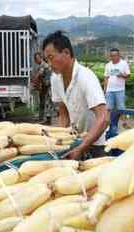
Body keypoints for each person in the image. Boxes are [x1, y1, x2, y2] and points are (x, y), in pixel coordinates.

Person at [43, 31, 108, 160]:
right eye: (46, 60)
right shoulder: (55, 78)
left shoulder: (86, 77)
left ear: (66, 53)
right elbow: (63, 112)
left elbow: (104, 118)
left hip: (94, 143)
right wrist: (61, 141)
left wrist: (81, 148)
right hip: (74, 140)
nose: (49, 64)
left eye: (51, 58)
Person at [103, 48, 130, 135]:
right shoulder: (108, 65)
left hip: (120, 90)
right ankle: (107, 125)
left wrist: (121, 75)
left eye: (115, 55)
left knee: (121, 108)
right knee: (108, 108)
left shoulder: (124, 63)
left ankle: (124, 123)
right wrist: (105, 89)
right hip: (109, 90)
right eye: (112, 56)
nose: (113, 57)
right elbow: (106, 77)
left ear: (119, 55)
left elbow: (128, 76)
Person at [32, 52, 55, 124]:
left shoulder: (43, 65)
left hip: (48, 86)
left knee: (48, 102)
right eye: (35, 59)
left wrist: (34, 82)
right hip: (45, 86)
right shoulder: (42, 65)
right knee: (43, 102)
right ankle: (41, 117)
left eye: (37, 58)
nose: (36, 60)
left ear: (40, 58)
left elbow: (39, 75)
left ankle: (48, 120)